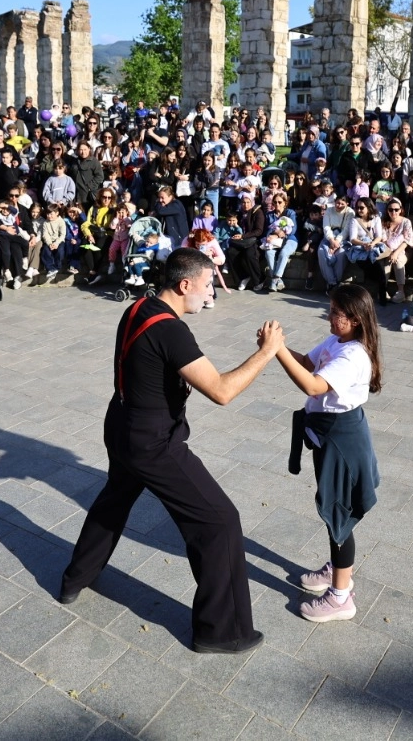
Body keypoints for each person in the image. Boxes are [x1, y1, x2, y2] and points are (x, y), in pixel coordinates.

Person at [60, 248, 284, 654]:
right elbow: (221, 390)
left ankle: (75, 578)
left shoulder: (139, 307)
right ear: (185, 285)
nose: (210, 293)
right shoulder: (171, 330)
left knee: (115, 500)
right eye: (207, 285)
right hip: (153, 442)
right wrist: (267, 352)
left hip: (122, 424)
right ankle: (223, 631)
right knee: (219, 521)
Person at [274, 283, 381, 623]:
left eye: (337, 313)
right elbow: (306, 362)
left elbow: (313, 384)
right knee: (334, 507)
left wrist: (276, 351)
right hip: (328, 433)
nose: (330, 316)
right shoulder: (337, 341)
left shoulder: (353, 355)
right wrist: (279, 346)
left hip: (342, 439)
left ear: (356, 319)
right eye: (331, 309)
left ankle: (340, 597)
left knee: (339, 513)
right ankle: (337, 570)